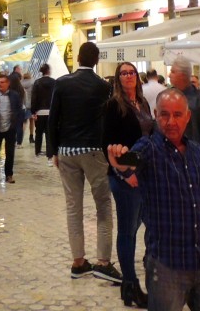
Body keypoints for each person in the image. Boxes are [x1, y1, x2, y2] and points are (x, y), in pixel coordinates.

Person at [108, 88, 200, 311]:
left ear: (187, 117)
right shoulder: (149, 148)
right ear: (155, 114)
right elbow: (132, 161)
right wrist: (120, 162)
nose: (171, 122)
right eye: (164, 114)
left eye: (178, 115)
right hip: (167, 264)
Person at [48, 41, 122, 284]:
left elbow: (53, 119)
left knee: (73, 207)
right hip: (93, 150)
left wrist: (53, 151)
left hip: (67, 151)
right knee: (103, 205)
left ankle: (78, 262)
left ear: (77, 58)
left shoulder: (62, 83)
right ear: (97, 60)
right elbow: (108, 122)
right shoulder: (103, 87)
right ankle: (103, 262)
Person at [102, 61, 154, 307]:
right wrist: (124, 173)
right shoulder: (114, 106)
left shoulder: (142, 103)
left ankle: (131, 286)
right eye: (124, 73)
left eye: (132, 72)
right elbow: (107, 145)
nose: (129, 76)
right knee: (127, 231)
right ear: (118, 79)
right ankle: (130, 285)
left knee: (137, 226)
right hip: (124, 177)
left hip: (143, 173)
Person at [0, 73, 25, 183]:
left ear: (8, 84)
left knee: (10, 152)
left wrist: (17, 123)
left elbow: (19, 110)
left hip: (10, 128)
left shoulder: (14, 95)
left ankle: (9, 174)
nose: (0, 84)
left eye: (2, 82)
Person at [167, 56, 200, 147]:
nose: (169, 75)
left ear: (182, 75)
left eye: (173, 72)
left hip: (193, 152)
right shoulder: (169, 96)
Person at [31, 63, 56, 162]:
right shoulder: (54, 82)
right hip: (50, 111)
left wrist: (33, 111)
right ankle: (50, 156)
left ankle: (37, 152)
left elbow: (34, 98)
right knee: (49, 134)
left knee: (39, 133)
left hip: (40, 112)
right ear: (48, 71)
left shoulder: (37, 83)